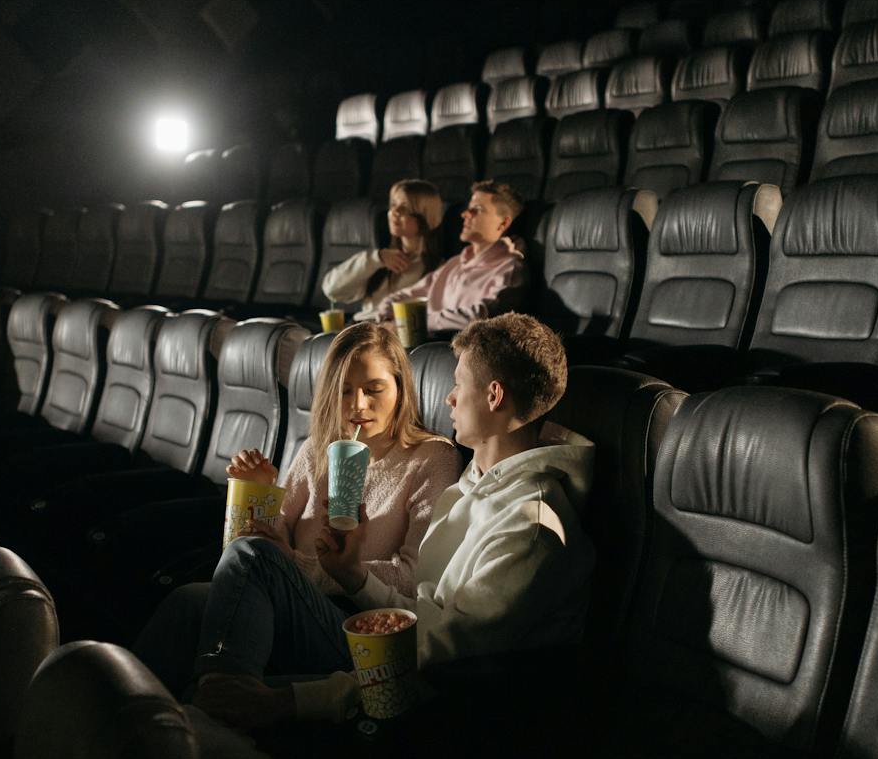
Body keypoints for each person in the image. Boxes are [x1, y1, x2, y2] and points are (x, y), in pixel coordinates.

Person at [190, 312, 595, 727]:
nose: (448, 398)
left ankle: (216, 719)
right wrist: (351, 575)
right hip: (381, 650)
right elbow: (422, 615)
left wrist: (291, 700)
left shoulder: (530, 528)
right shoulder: (475, 483)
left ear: (493, 396)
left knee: (236, 620)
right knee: (191, 615)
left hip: (422, 707)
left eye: (458, 384)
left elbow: (439, 660)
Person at [132, 321, 461, 695]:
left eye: (374, 390)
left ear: (401, 390)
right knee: (187, 601)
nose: (358, 405)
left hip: (354, 619)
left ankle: (222, 695)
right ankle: (128, 712)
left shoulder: (432, 457)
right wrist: (256, 495)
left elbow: (412, 577)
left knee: (230, 577)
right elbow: (259, 545)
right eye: (345, 392)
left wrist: (301, 566)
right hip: (288, 596)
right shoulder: (318, 449)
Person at [370, 181, 529, 333]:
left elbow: (481, 317)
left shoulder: (510, 269)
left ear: (503, 223)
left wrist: (414, 321)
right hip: (426, 347)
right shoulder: (455, 263)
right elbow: (407, 295)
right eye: (468, 208)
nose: (465, 214)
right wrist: (385, 314)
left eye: (477, 210)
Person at [320, 179, 446, 315]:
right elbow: (332, 290)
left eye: (405, 208)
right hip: (362, 329)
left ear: (426, 216)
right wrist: (376, 258)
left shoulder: (438, 268)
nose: (394, 212)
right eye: (393, 205)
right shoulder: (380, 259)